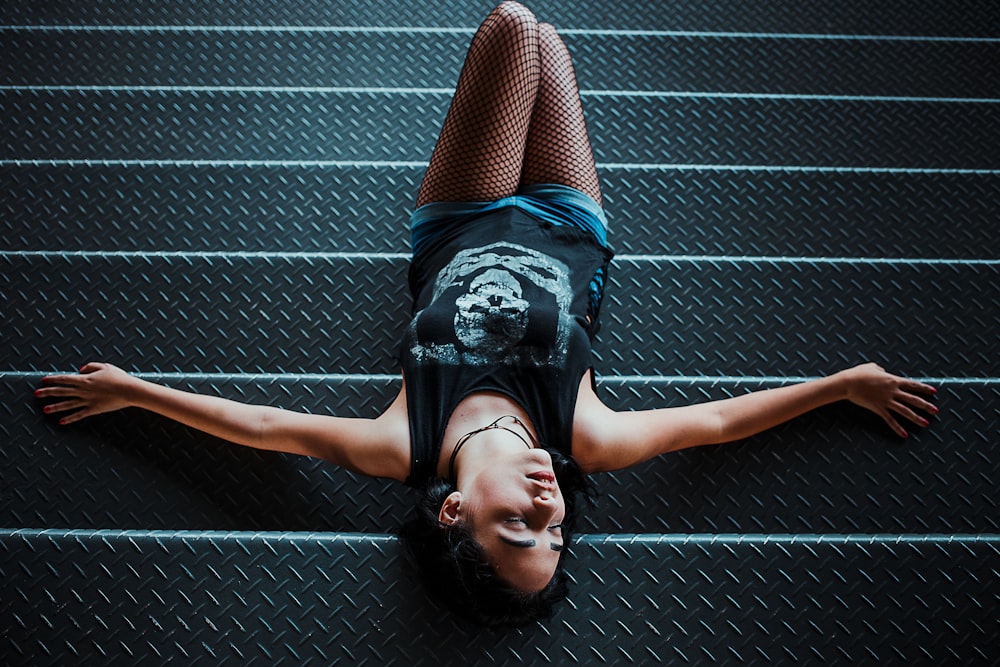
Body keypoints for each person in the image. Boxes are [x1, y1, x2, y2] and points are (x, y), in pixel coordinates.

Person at [34, 1, 938, 627]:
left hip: (457, 217)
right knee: (545, 39)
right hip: (570, 219)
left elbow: (263, 428)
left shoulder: (405, 447)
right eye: (553, 533)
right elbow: (719, 423)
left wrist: (134, 394)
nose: (549, 510)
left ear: (453, 512)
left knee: (513, 24)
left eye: (517, 527)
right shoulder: (590, 441)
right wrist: (843, 385)